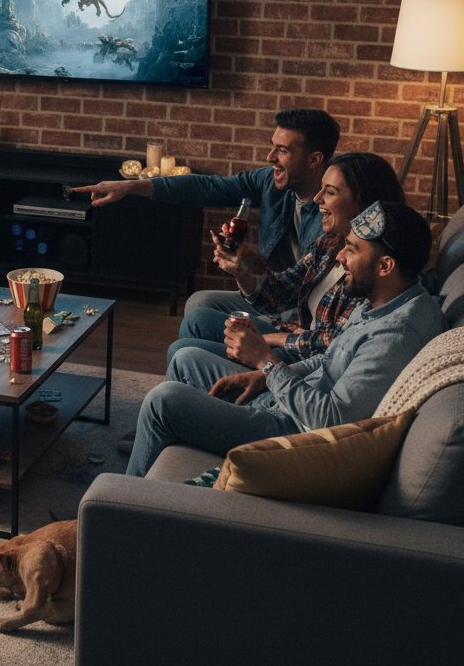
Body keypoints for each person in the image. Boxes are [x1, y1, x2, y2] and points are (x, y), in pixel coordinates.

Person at [126, 201, 444, 478]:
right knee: (185, 360)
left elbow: (330, 420)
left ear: (386, 266)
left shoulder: (395, 335)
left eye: (353, 249)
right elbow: (333, 357)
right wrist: (265, 376)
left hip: (293, 432)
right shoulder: (384, 300)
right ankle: (156, 451)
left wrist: (267, 361)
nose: (341, 258)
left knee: (162, 402)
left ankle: (117, 511)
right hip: (291, 399)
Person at [74, 107, 342, 315]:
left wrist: (249, 265)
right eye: (272, 146)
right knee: (199, 303)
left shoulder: (337, 211)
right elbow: (209, 187)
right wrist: (130, 186)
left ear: (314, 159)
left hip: (296, 309)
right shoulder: (269, 182)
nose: (269, 157)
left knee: (195, 324)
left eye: (282, 150)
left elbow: (307, 287)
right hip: (265, 293)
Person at [168, 152, 406, 367]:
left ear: (363, 203)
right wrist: (242, 269)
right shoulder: (330, 242)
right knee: (197, 318)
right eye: (321, 189)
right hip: (295, 336)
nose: (317, 199)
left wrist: (272, 339)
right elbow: (281, 294)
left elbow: (335, 345)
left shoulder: (371, 265)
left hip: (305, 358)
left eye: (330, 192)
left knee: (182, 351)